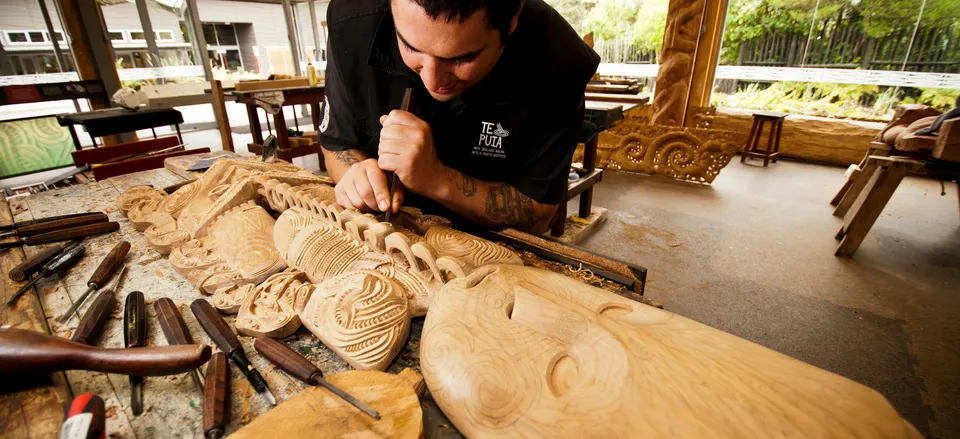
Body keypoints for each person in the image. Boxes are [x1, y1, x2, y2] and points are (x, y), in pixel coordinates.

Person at [318, 0, 599, 234]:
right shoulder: (352, 22)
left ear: (512, 18)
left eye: (462, 59)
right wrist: (357, 177)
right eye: (411, 48)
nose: (432, 81)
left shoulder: (558, 59)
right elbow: (337, 144)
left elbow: (538, 215)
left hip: (490, 247)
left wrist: (436, 179)